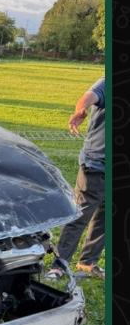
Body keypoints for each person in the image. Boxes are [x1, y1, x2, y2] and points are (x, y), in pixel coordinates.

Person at [47, 76, 105, 281]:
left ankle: (88, 262)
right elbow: (88, 97)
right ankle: (59, 265)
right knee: (79, 215)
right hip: (97, 163)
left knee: (105, 217)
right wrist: (81, 110)